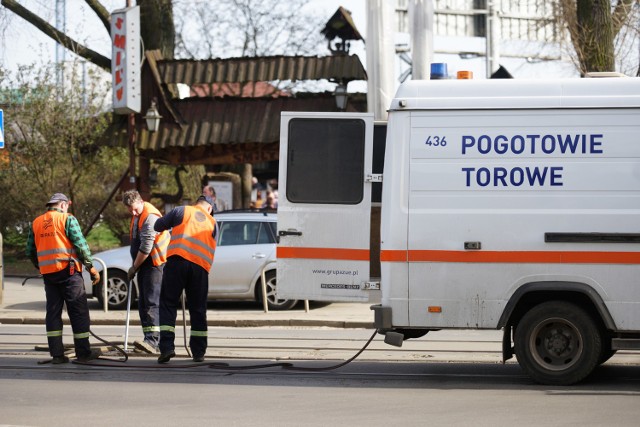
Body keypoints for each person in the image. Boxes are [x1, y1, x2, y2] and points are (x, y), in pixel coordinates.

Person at [26, 193, 102, 364]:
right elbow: (81, 246)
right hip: (69, 273)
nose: (67, 207)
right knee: (78, 312)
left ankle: (57, 355)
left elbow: (30, 251)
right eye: (67, 205)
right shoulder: (67, 219)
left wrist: (42, 266)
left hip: (49, 275)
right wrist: (91, 268)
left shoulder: (36, 223)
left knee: (53, 313)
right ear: (62, 204)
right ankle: (83, 353)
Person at [154, 196, 217, 363]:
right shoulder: (213, 223)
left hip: (177, 262)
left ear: (197, 203)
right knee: (198, 309)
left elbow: (158, 225)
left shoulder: (181, 210)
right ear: (209, 208)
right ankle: (199, 352)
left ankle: (167, 348)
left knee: (168, 303)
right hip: (200, 268)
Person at [122, 190, 169, 354]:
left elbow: (146, 248)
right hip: (144, 265)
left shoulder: (151, 217)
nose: (133, 213)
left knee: (151, 302)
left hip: (154, 264)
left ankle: (153, 341)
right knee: (143, 302)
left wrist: (134, 267)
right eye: (130, 210)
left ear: (141, 202)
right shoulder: (138, 215)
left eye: (135, 209)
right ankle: (147, 338)